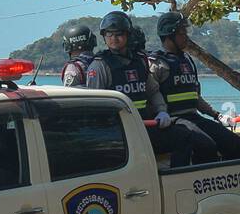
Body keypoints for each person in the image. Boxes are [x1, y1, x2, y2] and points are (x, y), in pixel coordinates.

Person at [83, 11, 195, 166]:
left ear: (127, 35)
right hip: (119, 131)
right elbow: (94, 106)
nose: (114, 39)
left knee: (185, 137)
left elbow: (153, 91)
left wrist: (161, 111)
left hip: (145, 125)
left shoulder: (140, 61)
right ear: (104, 37)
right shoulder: (100, 65)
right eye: (109, 35)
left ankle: (176, 181)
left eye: (119, 34)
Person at [146, 11, 240, 164]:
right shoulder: (156, 64)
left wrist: (217, 115)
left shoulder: (186, 61)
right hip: (172, 121)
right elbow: (150, 94)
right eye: (182, 32)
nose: (186, 36)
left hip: (193, 117)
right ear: (169, 35)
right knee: (205, 146)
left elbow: (194, 96)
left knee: (234, 143)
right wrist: (160, 114)